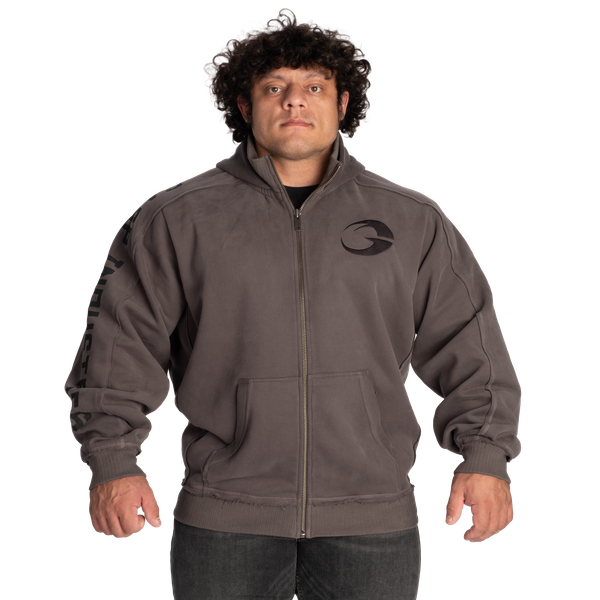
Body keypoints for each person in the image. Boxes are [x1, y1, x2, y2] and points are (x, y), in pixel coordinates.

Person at [64, 9, 521, 600]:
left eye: (314, 87)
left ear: (343, 102)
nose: (294, 101)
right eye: (274, 87)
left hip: (370, 517)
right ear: (244, 104)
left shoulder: (412, 221)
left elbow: (471, 346)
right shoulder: (177, 219)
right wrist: (113, 463)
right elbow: (118, 347)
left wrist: (483, 457)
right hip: (226, 517)